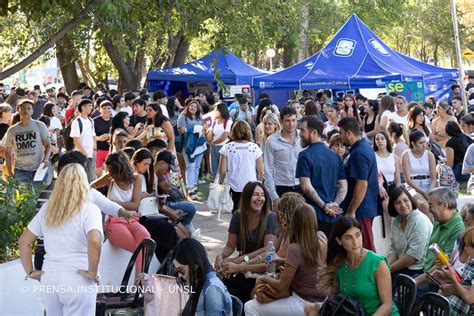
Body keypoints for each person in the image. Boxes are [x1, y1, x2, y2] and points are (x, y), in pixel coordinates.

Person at [19, 164, 102, 315]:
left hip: (49, 278)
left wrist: (30, 271)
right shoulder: (90, 210)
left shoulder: (47, 209)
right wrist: (92, 272)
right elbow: (95, 241)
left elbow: (24, 241)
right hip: (79, 278)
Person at [244, 204, 328, 315]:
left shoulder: (295, 248)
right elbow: (310, 263)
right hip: (323, 302)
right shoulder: (322, 237)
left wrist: (263, 278)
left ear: (295, 224)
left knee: (250, 306)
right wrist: (284, 261)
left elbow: (282, 286)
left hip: (303, 303)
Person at [309, 216, 398, 316]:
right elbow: (333, 297)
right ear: (339, 241)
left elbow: (387, 306)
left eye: (357, 235)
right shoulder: (339, 264)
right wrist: (319, 310)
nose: (355, 242)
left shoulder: (378, 263)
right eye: (348, 237)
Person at [214, 182, 278, 304]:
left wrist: (243, 258)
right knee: (219, 278)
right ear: (247, 197)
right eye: (255, 195)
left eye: (262, 195)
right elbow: (230, 246)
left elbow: (267, 249)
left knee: (233, 285)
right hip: (242, 263)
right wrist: (220, 255)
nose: (260, 199)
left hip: (260, 265)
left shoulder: (271, 218)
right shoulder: (238, 216)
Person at [91, 151, 151, 275]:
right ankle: (139, 284)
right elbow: (90, 188)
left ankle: (138, 283)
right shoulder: (110, 177)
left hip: (132, 219)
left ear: (120, 169)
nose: (110, 174)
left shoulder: (137, 178)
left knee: (146, 238)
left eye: (112, 171)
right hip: (114, 221)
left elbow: (135, 205)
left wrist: (110, 202)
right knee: (140, 249)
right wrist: (102, 203)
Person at [296, 115, 347, 237]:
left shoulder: (304, 155)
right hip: (333, 216)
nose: (300, 134)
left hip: (313, 216)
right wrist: (335, 205)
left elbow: (306, 187)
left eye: (302, 130)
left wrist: (325, 206)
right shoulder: (335, 156)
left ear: (313, 132)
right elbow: (343, 185)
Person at [414, 187, 465, 298]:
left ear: (445, 206)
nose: (428, 210)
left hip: (438, 281)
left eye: (431, 205)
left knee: (405, 297)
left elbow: (445, 265)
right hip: (426, 273)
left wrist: (417, 281)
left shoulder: (458, 227)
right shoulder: (439, 219)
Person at [338, 116, 379, 251]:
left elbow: (362, 184)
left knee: (366, 250)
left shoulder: (358, 153)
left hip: (361, 210)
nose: (340, 136)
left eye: (341, 133)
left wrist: (351, 211)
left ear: (349, 133)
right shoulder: (362, 148)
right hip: (363, 208)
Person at [130, 148, 179, 261]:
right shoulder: (132, 177)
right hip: (138, 216)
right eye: (145, 164)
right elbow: (130, 199)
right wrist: (139, 195)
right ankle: (170, 259)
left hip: (149, 213)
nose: (147, 167)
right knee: (167, 229)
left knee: (169, 228)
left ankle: (170, 259)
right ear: (136, 162)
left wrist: (155, 197)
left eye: (149, 165)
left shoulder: (148, 176)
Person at [173, 238, 232, 316]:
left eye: (181, 270)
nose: (179, 275)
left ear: (195, 265)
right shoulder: (197, 280)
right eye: (177, 270)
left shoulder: (212, 290)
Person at [4, 99, 51, 187]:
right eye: (23, 108)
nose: (26, 110)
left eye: (29, 108)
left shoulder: (40, 125)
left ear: (32, 111)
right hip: (21, 171)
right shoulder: (12, 130)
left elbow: (48, 145)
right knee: (24, 199)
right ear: (19, 110)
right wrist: (10, 171)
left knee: (39, 198)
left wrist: (46, 159)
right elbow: (7, 152)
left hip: (38, 169)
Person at [387, 186, 433, 279]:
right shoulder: (396, 221)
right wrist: (385, 266)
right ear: (393, 206)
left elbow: (411, 257)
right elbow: (394, 250)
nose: (403, 205)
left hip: (418, 270)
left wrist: (388, 269)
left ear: (411, 201)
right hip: (401, 267)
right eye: (398, 203)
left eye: (405, 200)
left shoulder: (419, 221)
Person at [219, 120, 264, 212]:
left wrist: (221, 183)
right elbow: (261, 171)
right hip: (252, 186)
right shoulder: (255, 147)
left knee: (236, 211)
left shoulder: (227, 147)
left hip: (234, 186)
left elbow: (222, 171)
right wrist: (259, 184)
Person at [264, 107, 302, 210]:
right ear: (281, 121)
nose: (291, 124)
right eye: (287, 121)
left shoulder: (303, 137)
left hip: (301, 186)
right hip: (281, 187)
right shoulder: (272, 141)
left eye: (294, 120)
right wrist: (274, 196)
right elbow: (268, 169)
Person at [154, 150, 198, 236]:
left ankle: (186, 227)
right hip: (161, 207)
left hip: (164, 205)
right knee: (190, 207)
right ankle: (186, 227)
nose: (168, 171)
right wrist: (171, 213)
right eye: (168, 168)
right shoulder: (155, 176)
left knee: (186, 232)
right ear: (161, 163)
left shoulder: (161, 174)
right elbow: (167, 189)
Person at [439, 227, 474, 315]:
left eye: (467, 246)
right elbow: (466, 285)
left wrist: (452, 278)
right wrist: (446, 278)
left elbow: (469, 297)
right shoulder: (471, 262)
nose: (465, 249)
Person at [401, 130, 437, 211]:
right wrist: (423, 193)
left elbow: (434, 177)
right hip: (413, 186)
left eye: (425, 142)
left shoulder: (429, 155)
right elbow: (408, 180)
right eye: (421, 143)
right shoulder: (406, 155)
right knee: (424, 206)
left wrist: (430, 191)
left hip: (428, 184)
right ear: (413, 143)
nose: (424, 145)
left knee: (436, 207)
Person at [177, 99, 205, 195]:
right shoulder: (182, 117)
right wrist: (195, 129)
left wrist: (202, 129)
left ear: (198, 109)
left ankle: (194, 187)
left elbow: (204, 128)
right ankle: (190, 189)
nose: (193, 108)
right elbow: (181, 131)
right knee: (190, 166)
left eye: (195, 106)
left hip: (200, 145)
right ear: (188, 107)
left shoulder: (199, 116)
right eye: (191, 106)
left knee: (197, 166)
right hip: (188, 146)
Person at [70, 98, 97, 182]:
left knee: (91, 179)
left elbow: (93, 136)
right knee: (80, 179)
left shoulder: (91, 120)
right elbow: (76, 140)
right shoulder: (77, 122)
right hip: (80, 155)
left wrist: (95, 150)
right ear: (83, 107)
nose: (91, 108)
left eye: (91, 106)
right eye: (89, 106)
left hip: (90, 154)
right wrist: (84, 152)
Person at [205, 102, 232, 179]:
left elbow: (223, 137)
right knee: (214, 169)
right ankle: (215, 187)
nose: (214, 112)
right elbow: (209, 138)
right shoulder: (213, 122)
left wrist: (211, 142)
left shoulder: (228, 122)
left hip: (224, 148)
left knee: (224, 171)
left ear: (221, 110)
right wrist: (207, 130)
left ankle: (224, 188)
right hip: (213, 148)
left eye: (216, 110)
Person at [373, 131, 401, 197]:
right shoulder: (372, 156)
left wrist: (399, 193)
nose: (380, 141)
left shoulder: (395, 157)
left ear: (387, 140)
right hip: (378, 188)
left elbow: (398, 179)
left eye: (382, 139)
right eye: (377, 139)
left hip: (392, 188)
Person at [93, 100, 112, 176]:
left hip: (111, 150)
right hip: (99, 150)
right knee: (98, 172)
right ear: (100, 109)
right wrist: (99, 138)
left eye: (108, 108)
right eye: (104, 108)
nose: (106, 110)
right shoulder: (95, 121)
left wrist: (110, 136)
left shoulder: (114, 120)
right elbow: (90, 136)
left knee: (110, 172)